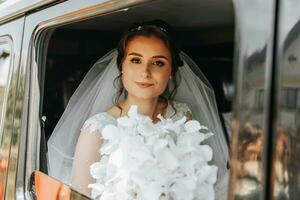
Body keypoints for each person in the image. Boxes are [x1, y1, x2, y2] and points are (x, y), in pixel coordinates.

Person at [47, 21, 229, 198]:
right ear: (121, 66)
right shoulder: (96, 130)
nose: (145, 72)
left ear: (171, 70)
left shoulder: (182, 115)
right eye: (136, 60)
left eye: (158, 63)